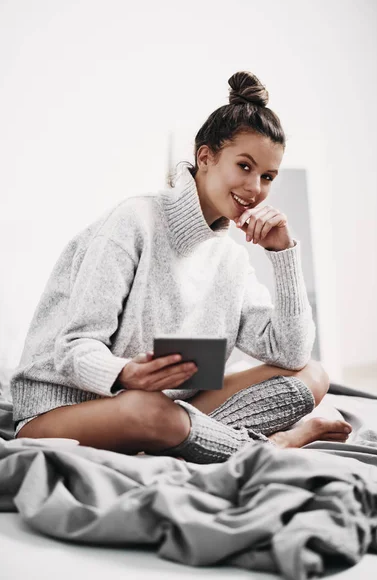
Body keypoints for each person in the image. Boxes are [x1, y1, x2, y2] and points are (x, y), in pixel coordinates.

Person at [11, 70, 352, 463]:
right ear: (205, 156)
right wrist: (125, 374)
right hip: (61, 412)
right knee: (147, 410)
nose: (256, 188)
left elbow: (290, 354)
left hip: (167, 409)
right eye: (244, 166)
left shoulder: (231, 259)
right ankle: (273, 448)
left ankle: (187, 436)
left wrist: (283, 254)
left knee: (312, 376)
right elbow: (73, 348)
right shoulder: (133, 222)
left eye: (267, 176)